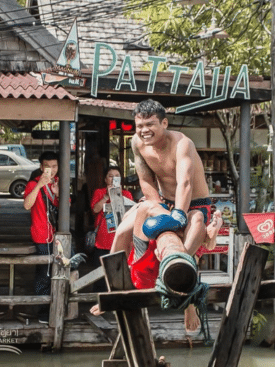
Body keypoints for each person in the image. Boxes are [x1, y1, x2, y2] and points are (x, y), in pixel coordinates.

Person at [90, 99, 222, 331]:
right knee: (121, 231)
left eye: (150, 124)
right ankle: (111, 293)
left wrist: (180, 214)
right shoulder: (137, 143)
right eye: (139, 125)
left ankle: (188, 301)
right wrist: (158, 206)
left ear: (164, 123)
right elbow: (145, 180)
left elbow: (186, 183)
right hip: (161, 200)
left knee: (194, 230)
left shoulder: (182, 143)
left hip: (194, 204)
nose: (144, 130)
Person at [24, 151, 59, 324]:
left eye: (54, 167)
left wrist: (57, 193)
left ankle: (57, 308)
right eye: (47, 167)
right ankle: (42, 312)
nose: (51, 171)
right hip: (40, 234)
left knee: (59, 272)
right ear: (41, 167)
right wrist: (39, 186)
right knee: (43, 274)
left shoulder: (59, 182)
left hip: (58, 235)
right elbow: (26, 205)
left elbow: (65, 207)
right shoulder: (33, 184)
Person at [90, 166, 133, 292]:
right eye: (110, 176)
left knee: (120, 273)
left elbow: (130, 215)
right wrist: (106, 196)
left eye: (117, 176)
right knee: (100, 275)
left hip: (121, 239)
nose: (114, 178)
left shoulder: (126, 194)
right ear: (105, 179)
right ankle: (99, 303)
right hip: (102, 241)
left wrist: (118, 196)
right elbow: (95, 210)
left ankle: (117, 301)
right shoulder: (99, 192)